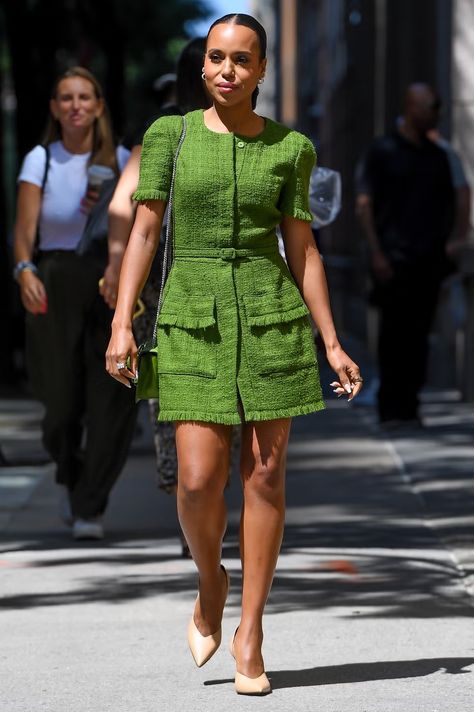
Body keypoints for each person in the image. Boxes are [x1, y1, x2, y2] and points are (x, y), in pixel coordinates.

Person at [106, 14, 362, 695]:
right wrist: (122, 322)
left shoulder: (290, 149)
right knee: (194, 480)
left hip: (271, 317)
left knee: (265, 478)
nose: (226, 70)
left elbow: (302, 249)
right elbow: (144, 231)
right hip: (190, 317)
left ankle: (250, 630)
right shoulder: (171, 135)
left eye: (241, 60)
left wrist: (331, 340)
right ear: (203, 66)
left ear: (262, 70)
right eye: (216, 58)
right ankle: (212, 578)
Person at [13, 66, 136, 540]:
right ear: (54, 108)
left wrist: (120, 273)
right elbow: (24, 232)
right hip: (55, 280)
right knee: (59, 400)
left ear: (99, 106)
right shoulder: (40, 160)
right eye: (66, 98)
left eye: (85, 97)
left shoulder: (125, 159)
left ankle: (90, 503)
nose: (76, 105)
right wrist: (24, 269)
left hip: (109, 282)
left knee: (110, 397)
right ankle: (69, 471)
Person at [106, 38, 211, 556]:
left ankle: (188, 498)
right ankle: (203, 500)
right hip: (191, 276)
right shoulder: (185, 129)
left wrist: (114, 269)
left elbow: (122, 211)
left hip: (157, 281)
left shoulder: (160, 128)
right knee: (210, 395)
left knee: (168, 394)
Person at [356, 83, 455, 428]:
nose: (435, 114)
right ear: (412, 107)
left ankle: (410, 407)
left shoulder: (437, 156)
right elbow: (364, 204)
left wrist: (449, 247)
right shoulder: (382, 151)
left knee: (419, 336)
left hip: (428, 262)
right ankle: (391, 408)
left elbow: (452, 204)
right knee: (393, 336)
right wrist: (377, 252)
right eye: (430, 107)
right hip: (393, 260)